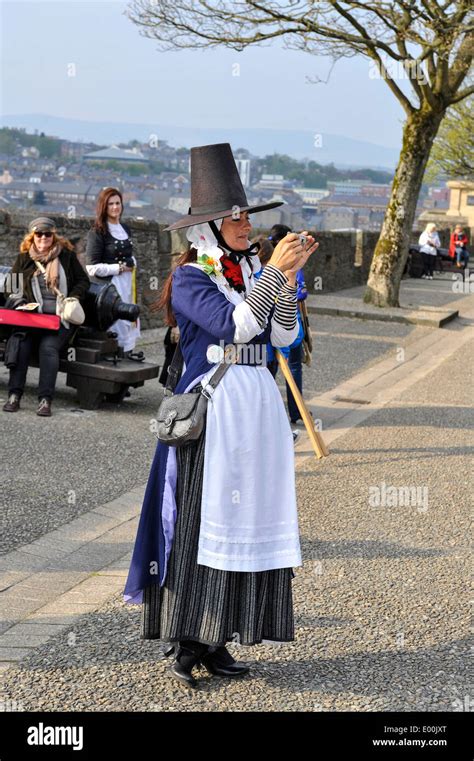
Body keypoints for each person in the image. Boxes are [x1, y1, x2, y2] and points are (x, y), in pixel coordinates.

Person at [123, 143, 318, 688]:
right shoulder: (190, 277)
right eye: (232, 217)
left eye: (245, 215)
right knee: (201, 521)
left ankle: (223, 637)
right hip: (214, 409)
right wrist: (273, 275)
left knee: (248, 516)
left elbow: (281, 335)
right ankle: (190, 642)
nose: (242, 224)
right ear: (207, 227)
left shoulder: (254, 268)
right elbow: (233, 326)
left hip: (256, 405)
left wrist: (283, 276)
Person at [2, 217, 90, 416]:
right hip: (31, 319)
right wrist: (21, 303)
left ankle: (45, 399)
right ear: (33, 236)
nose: (43, 238)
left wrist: (73, 297)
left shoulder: (66, 256)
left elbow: (83, 281)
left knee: (48, 348)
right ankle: (14, 395)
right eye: (39, 234)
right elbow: (11, 288)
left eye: (47, 234)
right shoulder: (24, 258)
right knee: (21, 345)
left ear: (53, 235)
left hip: (58, 318)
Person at [85, 187, 143, 361]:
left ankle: (125, 357)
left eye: (118, 203)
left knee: (128, 318)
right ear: (104, 206)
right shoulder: (97, 232)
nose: (115, 207)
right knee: (116, 322)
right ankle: (112, 359)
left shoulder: (125, 228)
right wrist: (118, 268)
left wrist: (132, 263)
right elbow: (91, 268)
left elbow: (129, 256)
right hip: (110, 288)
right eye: (111, 204)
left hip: (127, 284)